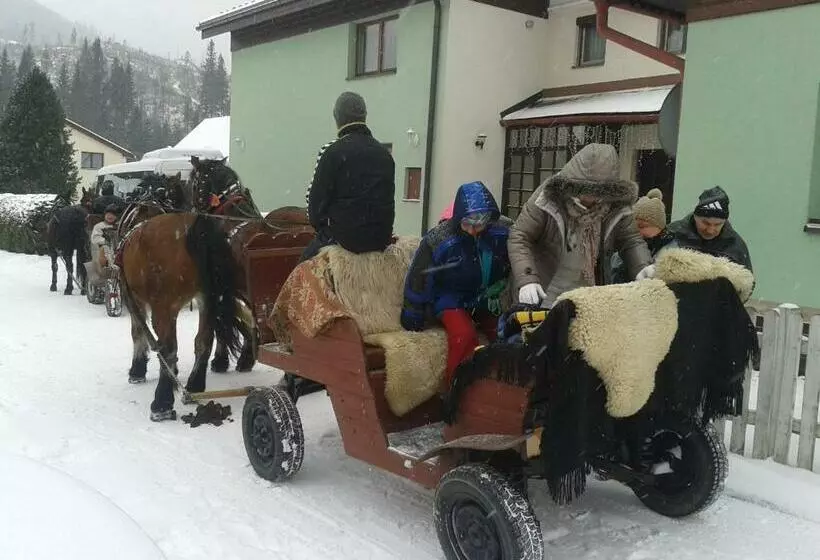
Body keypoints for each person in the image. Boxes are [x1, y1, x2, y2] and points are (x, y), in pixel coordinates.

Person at [508, 143, 654, 309]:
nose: (589, 198)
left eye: (598, 192)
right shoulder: (547, 198)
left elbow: (630, 239)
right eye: (582, 189)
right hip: (546, 288)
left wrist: (642, 265)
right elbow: (520, 236)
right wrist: (527, 278)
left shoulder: (616, 206)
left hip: (588, 294)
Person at [401, 181, 511, 383]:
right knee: (464, 335)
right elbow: (419, 276)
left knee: (506, 333)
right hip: (449, 297)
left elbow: (521, 255)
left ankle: (499, 387)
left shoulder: (503, 232)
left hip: (486, 297)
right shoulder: (440, 239)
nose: (473, 230)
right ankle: (457, 388)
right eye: (467, 223)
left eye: (480, 222)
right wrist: (413, 314)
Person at [302, 91, 396, 261]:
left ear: (337, 118)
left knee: (300, 271)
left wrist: (324, 227)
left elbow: (315, 210)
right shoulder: (384, 154)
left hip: (346, 240)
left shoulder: (333, 153)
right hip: (381, 239)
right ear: (364, 116)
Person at [664, 186, 752, 270]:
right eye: (705, 223)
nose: (710, 230)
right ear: (695, 216)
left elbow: (747, 282)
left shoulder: (736, 246)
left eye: (718, 224)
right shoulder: (671, 233)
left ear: (724, 221)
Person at [612, 188, 673, 283]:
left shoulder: (671, 251)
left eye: (642, 226)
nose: (636, 231)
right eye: (633, 226)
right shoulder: (620, 252)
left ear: (659, 225)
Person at [90, 204, 121, 271]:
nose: (110, 216)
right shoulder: (99, 226)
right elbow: (95, 238)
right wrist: (105, 241)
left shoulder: (119, 226)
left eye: (113, 215)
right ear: (104, 215)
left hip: (117, 250)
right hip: (104, 251)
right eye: (108, 214)